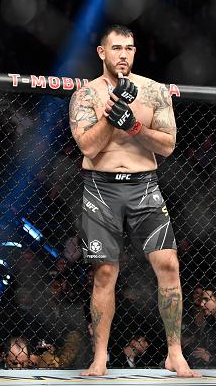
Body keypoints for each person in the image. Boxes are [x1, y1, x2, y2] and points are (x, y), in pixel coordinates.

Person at [68, 24, 199, 377]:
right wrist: (115, 116)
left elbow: (168, 146)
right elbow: (89, 147)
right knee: (105, 273)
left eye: (129, 48)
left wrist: (135, 127)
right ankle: (100, 356)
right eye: (116, 48)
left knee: (169, 265)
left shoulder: (155, 92)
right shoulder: (85, 96)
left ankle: (174, 353)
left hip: (144, 186)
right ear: (101, 53)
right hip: (101, 188)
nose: (123, 55)